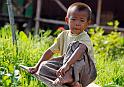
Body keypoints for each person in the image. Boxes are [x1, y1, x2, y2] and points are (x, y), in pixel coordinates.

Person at [28, 2, 97, 87]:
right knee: (43, 67)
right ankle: (71, 82)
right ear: (67, 20)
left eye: (82, 20)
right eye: (73, 19)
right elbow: (50, 51)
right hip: (65, 67)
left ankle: (69, 78)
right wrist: (37, 66)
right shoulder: (63, 35)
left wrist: (67, 65)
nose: (77, 23)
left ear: (87, 23)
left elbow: (80, 51)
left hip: (85, 73)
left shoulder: (84, 37)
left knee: (74, 46)